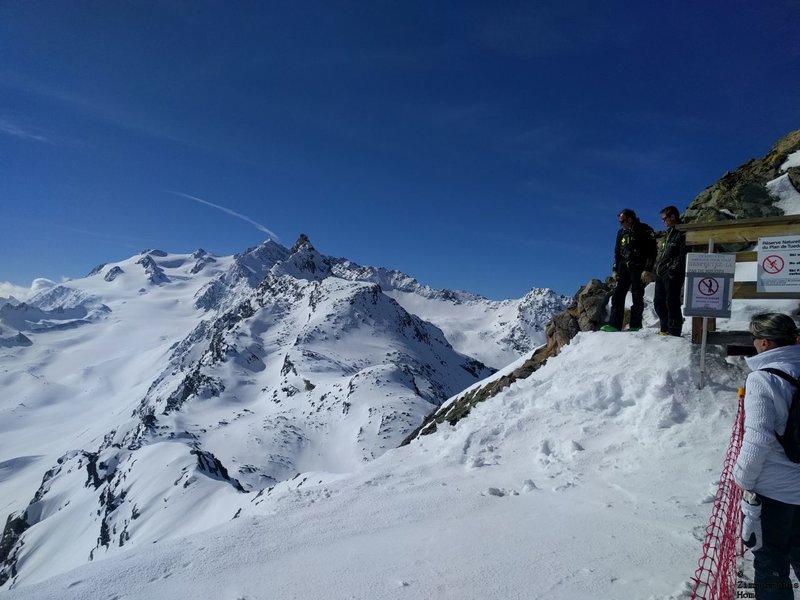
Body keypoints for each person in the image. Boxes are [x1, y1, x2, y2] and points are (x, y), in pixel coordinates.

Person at [734, 313, 800, 600]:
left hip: (775, 493)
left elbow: (758, 438)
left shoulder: (762, 379)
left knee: (771, 563)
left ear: (764, 342)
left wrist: (743, 478)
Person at [601, 208, 657, 332]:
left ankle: (635, 325)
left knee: (637, 296)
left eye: (622, 221)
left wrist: (647, 269)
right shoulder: (621, 233)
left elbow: (652, 251)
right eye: (620, 222)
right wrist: (615, 269)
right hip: (624, 269)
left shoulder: (645, 230)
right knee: (617, 296)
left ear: (630, 219)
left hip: (639, 268)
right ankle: (614, 325)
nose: (621, 224)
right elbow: (617, 252)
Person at [653, 205, 687, 336]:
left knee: (671, 302)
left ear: (673, 216)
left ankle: (674, 330)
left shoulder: (682, 232)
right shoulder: (667, 234)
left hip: (672, 274)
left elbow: (682, 253)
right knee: (658, 302)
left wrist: (672, 270)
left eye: (664, 218)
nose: (663, 221)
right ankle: (664, 328)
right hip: (660, 273)